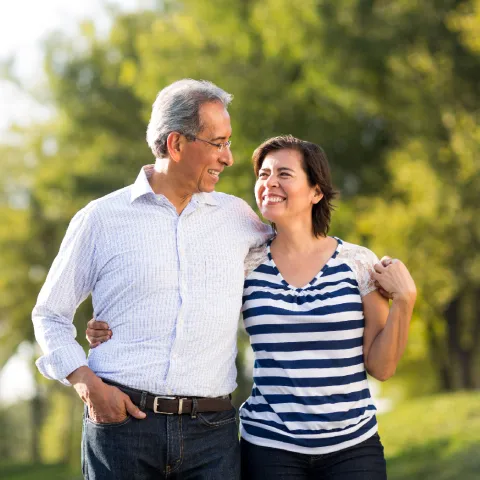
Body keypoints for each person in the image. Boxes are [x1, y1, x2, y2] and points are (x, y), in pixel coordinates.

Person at [87, 135, 416, 479]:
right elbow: (180, 301)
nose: (269, 182)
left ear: (316, 192)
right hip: (269, 447)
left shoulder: (359, 264)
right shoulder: (246, 261)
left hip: (352, 447)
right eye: (263, 174)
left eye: (284, 174)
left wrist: (405, 301)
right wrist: (111, 325)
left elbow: (381, 367)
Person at [32, 79, 273, 480]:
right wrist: (87, 384)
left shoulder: (239, 218)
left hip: (212, 434)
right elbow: (50, 314)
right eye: (218, 142)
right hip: (121, 428)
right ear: (176, 144)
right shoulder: (101, 219)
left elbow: (299, 252)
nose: (229, 158)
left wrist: (369, 270)